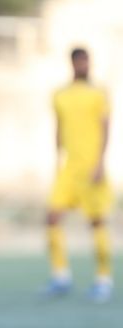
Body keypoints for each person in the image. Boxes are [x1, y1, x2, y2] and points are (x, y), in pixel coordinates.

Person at [45, 47, 113, 303]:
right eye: (80, 62)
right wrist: (57, 161)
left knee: (96, 221)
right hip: (68, 169)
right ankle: (61, 276)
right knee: (52, 217)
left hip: (91, 167)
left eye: (87, 61)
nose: (84, 66)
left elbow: (106, 128)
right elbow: (58, 129)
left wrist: (101, 163)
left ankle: (103, 279)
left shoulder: (99, 93)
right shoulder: (60, 94)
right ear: (72, 63)